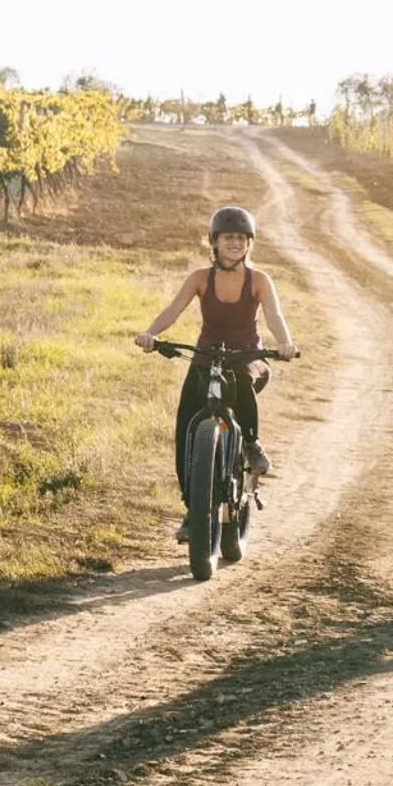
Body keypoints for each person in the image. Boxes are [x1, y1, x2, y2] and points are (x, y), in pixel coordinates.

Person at [134, 205, 299, 542]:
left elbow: (275, 316)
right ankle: (193, 509)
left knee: (240, 380)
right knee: (186, 426)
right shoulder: (199, 278)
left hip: (249, 358)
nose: (235, 243)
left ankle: (250, 445)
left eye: (241, 238)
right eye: (228, 238)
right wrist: (151, 333)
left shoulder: (259, 280)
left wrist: (284, 343)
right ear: (215, 242)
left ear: (249, 243)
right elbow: (172, 309)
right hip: (206, 357)